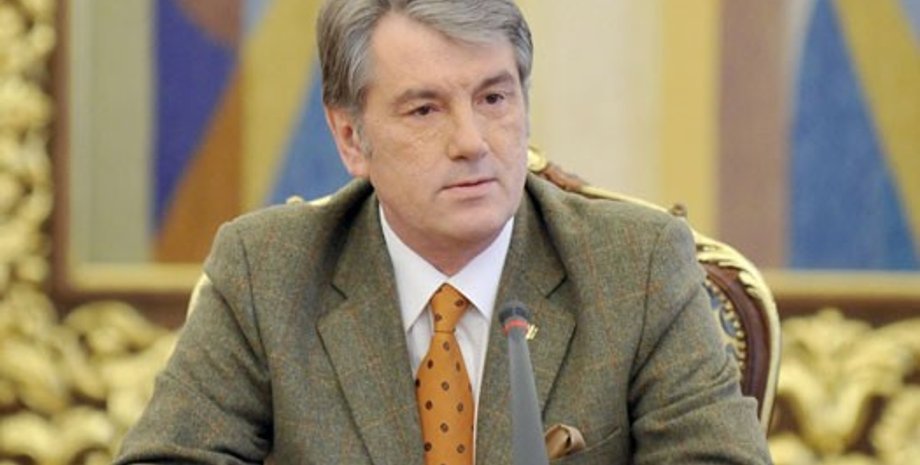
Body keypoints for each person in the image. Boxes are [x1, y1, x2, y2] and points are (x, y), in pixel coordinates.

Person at [116, 0, 772, 463]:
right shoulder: (268, 272)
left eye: (493, 98)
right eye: (425, 109)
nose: (472, 142)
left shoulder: (638, 265)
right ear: (351, 137)